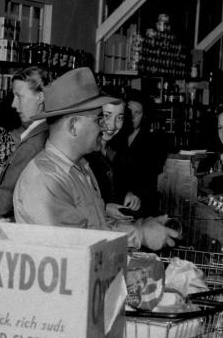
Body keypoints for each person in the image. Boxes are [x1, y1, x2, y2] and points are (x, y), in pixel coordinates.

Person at [12, 68, 178, 251]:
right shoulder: (45, 180)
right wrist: (140, 236)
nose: (105, 126)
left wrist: (142, 226)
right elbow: (74, 245)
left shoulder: (81, 168)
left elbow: (96, 226)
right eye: (98, 119)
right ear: (74, 126)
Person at [0, 66, 50, 223]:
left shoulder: (33, 145)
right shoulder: (44, 134)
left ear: (40, 97)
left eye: (19, 97)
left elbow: (6, 195)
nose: (13, 104)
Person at [86, 96, 141, 220]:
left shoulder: (116, 149)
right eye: (106, 116)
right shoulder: (84, 154)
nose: (112, 125)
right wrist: (104, 208)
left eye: (119, 118)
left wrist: (128, 195)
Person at [123, 88, 167, 215]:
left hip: (143, 206)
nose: (132, 117)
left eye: (137, 113)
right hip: (120, 203)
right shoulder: (116, 139)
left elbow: (152, 179)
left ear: (144, 115)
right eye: (129, 112)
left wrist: (137, 194)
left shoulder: (152, 142)